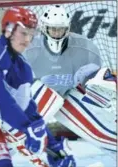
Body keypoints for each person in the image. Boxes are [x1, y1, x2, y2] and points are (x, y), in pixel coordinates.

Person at [23, 5, 116, 151]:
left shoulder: (85, 48)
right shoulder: (29, 49)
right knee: (20, 132)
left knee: (105, 135)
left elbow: (94, 81)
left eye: (60, 29)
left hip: (68, 95)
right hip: (39, 97)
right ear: (44, 28)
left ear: (67, 28)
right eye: (53, 29)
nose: (57, 33)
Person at [0, 6, 76, 167]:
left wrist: (52, 145)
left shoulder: (22, 66)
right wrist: (28, 129)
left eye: (31, 34)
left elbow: (27, 108)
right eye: (24, 33)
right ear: (9, 29)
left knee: (2, 162)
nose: (28, 40)